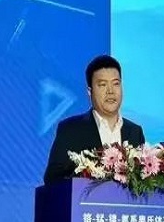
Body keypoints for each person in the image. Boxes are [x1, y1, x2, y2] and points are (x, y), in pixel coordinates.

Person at [42, 55, 146, 184]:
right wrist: (87, 174)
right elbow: (52, 179)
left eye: (116, 84)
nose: (110, 91)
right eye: (102, 85)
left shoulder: (135, 132)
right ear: (89, 92)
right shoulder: (71, 129)